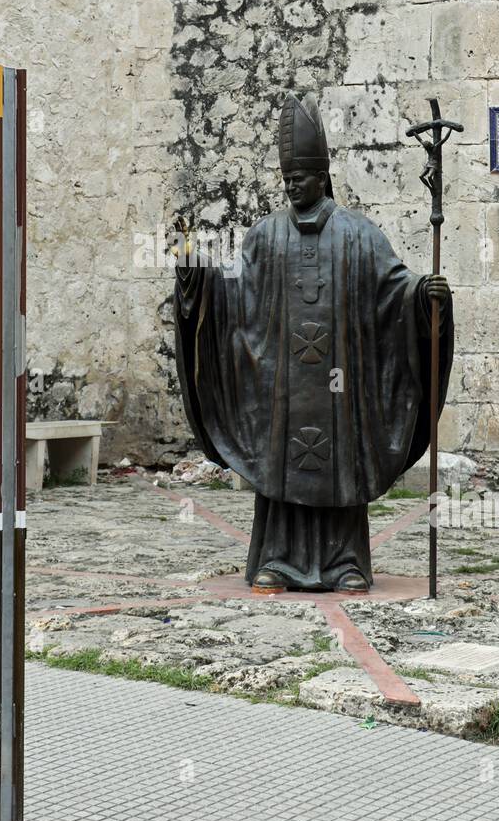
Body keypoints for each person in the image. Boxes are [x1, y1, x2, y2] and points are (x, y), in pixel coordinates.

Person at [172, 91, 453, 593]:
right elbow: (235, 293)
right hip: (284, 387)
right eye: (286, 179)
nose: (292, 185)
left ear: (322, 176)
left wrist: (422, 295)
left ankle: (347, 561)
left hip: (341, 390)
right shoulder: (265, 235)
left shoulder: (360, 235)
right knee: (282, 468)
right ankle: (277, 559)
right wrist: (198, 278)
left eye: (299, 177)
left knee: (340, 469)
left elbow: (393, 289)